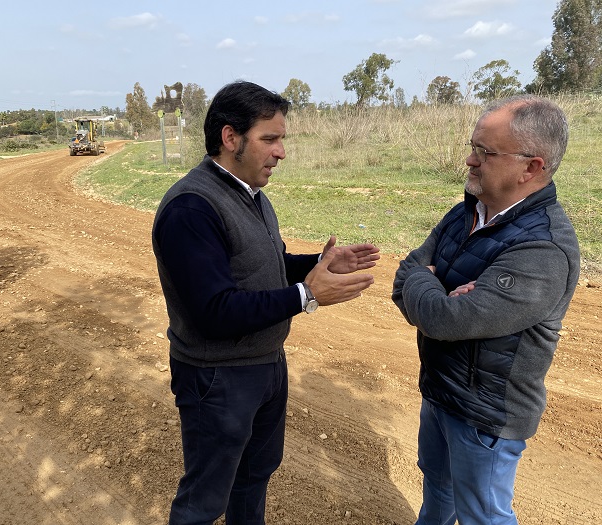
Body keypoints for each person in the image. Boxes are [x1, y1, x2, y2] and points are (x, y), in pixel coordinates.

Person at [152, 80, 380, 525]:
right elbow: (215, 311)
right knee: (203, 502)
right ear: (230, 137)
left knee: (254, 478)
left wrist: (319, 263)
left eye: (282, 140)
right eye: (269, 139)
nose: (281, 152)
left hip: (265, 367)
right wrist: (307, 294)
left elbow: (263, 265)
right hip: (217, 379)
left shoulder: (251, 193)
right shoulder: (191, 208)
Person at [392, 94, 580, 525]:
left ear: (532, 166)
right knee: (438, 492)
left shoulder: (544, 248)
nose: (470, 161)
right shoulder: (467, 212)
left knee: (484, 516)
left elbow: (444, 317)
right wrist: (430, 286)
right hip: (440, 391)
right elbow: (405, 276)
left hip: (485, 415)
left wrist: (430, 285)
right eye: (473, 147)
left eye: (485, 152)